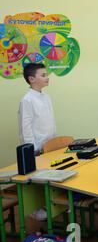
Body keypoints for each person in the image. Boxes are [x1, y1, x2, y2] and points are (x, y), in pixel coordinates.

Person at [18, 62, 57, 221]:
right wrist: (31, 148)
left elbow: (50, 121)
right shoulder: (27, 100)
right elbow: (25, 126)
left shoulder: (46, 96)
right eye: (43, 75)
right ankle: (38, 210)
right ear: (31, 79)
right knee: (39, 180)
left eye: (46, 74)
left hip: (49, 145)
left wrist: (54, 141)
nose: (47, 77)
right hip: (37, 148)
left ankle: (53, 206)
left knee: (50, 176)